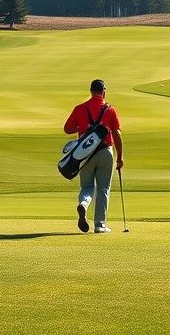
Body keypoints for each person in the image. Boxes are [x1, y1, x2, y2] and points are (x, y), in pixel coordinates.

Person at [64, 79, 124, 233]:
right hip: (105, 152)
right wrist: (120, 157)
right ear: (103, 91)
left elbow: (67, 128)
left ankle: (83, 205)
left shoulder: (80, 108)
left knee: (87, 186)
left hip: (85, 153)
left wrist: (84, 127)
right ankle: (100, 225)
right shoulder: (110, 110)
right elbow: (116, 133)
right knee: (103, 188)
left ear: (91, 91)